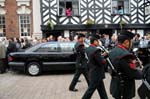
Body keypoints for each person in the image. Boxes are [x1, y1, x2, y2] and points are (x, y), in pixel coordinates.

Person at [109, 30, 143, 99]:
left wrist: (135, 64)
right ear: (126, 42)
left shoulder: (113, 51)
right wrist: (143, 72)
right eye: (131, 41)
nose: (131, 43)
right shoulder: (125, 54)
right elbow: (132, 73)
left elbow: (120, 65)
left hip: (116, 84)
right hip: (124, 87)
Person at [82, 35, 108, 99]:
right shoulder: (96, 50)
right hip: (97, 73)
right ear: (94, 41)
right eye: (98, 41)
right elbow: (101, 62)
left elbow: (93, 58)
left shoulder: (88, 49)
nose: (99, 42)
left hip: (93, 71)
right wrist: (106, 58)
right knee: (90, 91)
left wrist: (101, 55)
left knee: (102, 90)